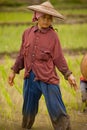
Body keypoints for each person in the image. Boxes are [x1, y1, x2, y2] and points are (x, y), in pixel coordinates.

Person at [8, 1, 78, 130]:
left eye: (49, 18)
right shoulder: (27, 33)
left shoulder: (53, 36)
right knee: (28, 109)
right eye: (43, 17)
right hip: (30, 77)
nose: (46, 20)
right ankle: (26, 127)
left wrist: (69, 75)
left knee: (56, 107)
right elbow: (22, 55)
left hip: (48, 77)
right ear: (37, 16)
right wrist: (14, 70)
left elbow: (59, 58)